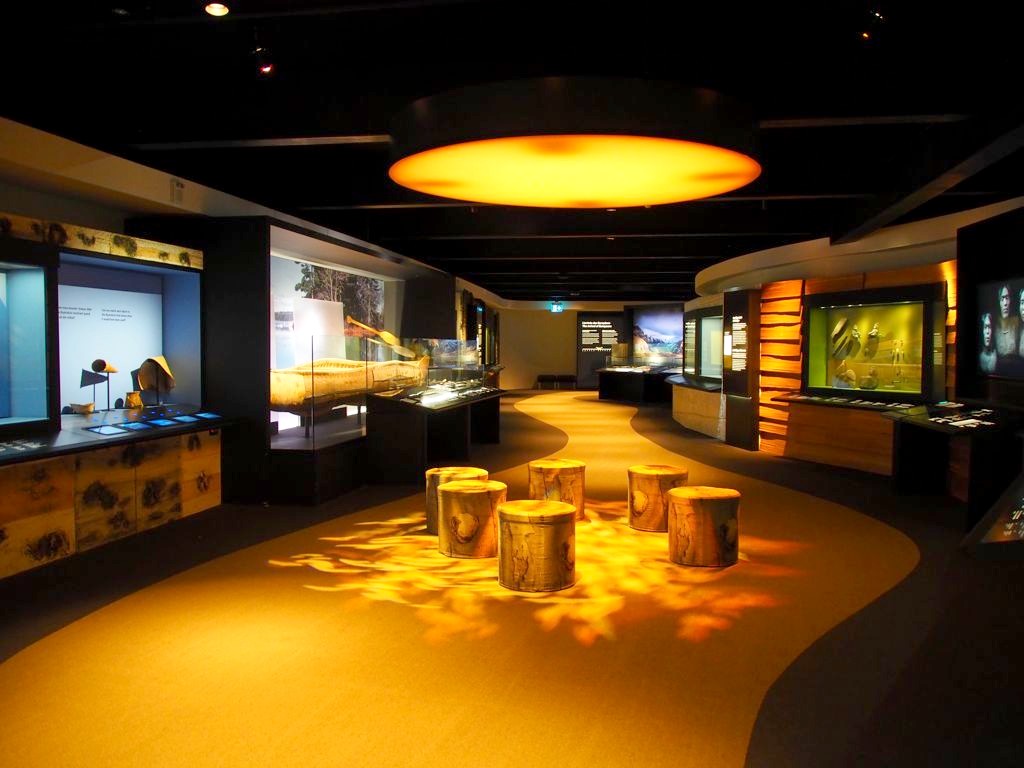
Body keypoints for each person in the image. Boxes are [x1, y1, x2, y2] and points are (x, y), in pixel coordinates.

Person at [995, 284, 1018, 356]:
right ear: (999, 302)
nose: (1005, 303)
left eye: (1007, 298)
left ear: (1010, 300)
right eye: (1002, 299)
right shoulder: (994, 325)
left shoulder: (1017, 322)